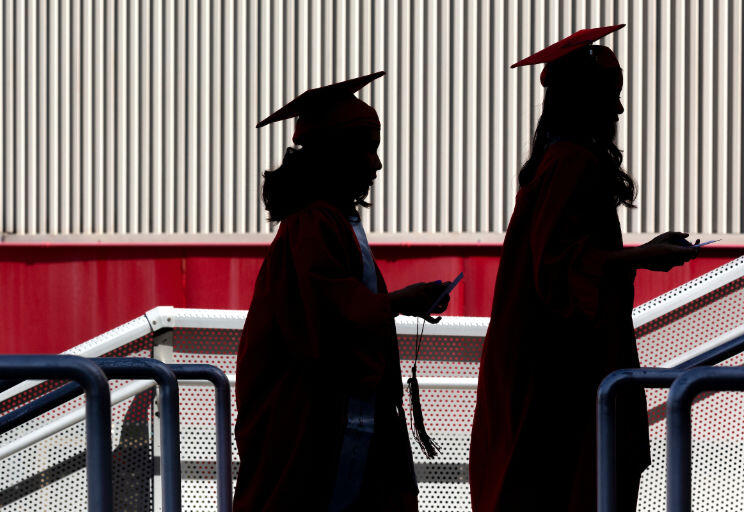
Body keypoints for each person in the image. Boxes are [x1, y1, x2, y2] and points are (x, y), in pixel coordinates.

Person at [469, 25, 699, 512]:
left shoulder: (556, 162)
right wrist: (642, 257)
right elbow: (556, 270)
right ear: (582, 101)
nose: (618, 111)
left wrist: (637, 255)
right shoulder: (572, 163)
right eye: (609, 97)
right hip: (559, 376)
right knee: (572, 483)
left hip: (549, 365)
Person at [233, 71, 452, 512]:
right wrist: (400, 301)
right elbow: (330, 315)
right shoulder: (312, 226)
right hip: (314, 427)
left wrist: (398, 303)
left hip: (334, 417)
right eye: (366, 149)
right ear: (334, 156)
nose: (377, 164)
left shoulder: (333, 222)